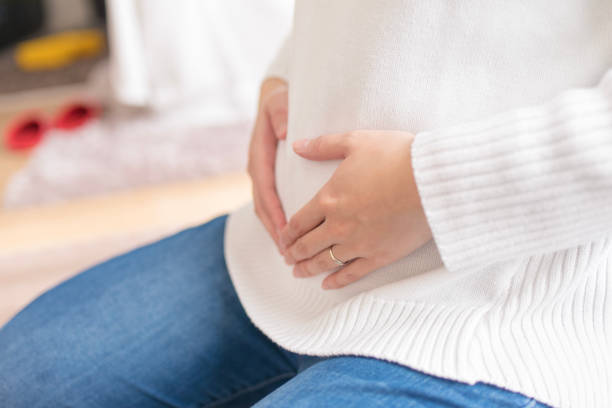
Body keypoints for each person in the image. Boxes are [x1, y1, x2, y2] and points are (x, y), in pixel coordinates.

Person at [1, 1, 611, 407]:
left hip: (509, 307)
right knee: (20, 382)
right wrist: (289, 72)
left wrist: (432, 189)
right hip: (282, 254)